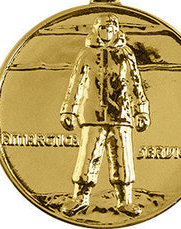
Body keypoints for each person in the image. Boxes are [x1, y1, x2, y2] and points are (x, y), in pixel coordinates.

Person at [60, 14, 150, 216]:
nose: (107, 32)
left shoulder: (126, 54)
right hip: (92, 116)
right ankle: (80, 198)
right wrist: (69, 110)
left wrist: (141, 111)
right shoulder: (86, 54)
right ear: (96, 29)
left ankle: (125, 200)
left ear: (116, 30)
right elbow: (76, 83)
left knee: (122, 158)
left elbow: (135, 83)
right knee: (87, 157)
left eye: (111, 28)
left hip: (122, 115)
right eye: (103, 28)